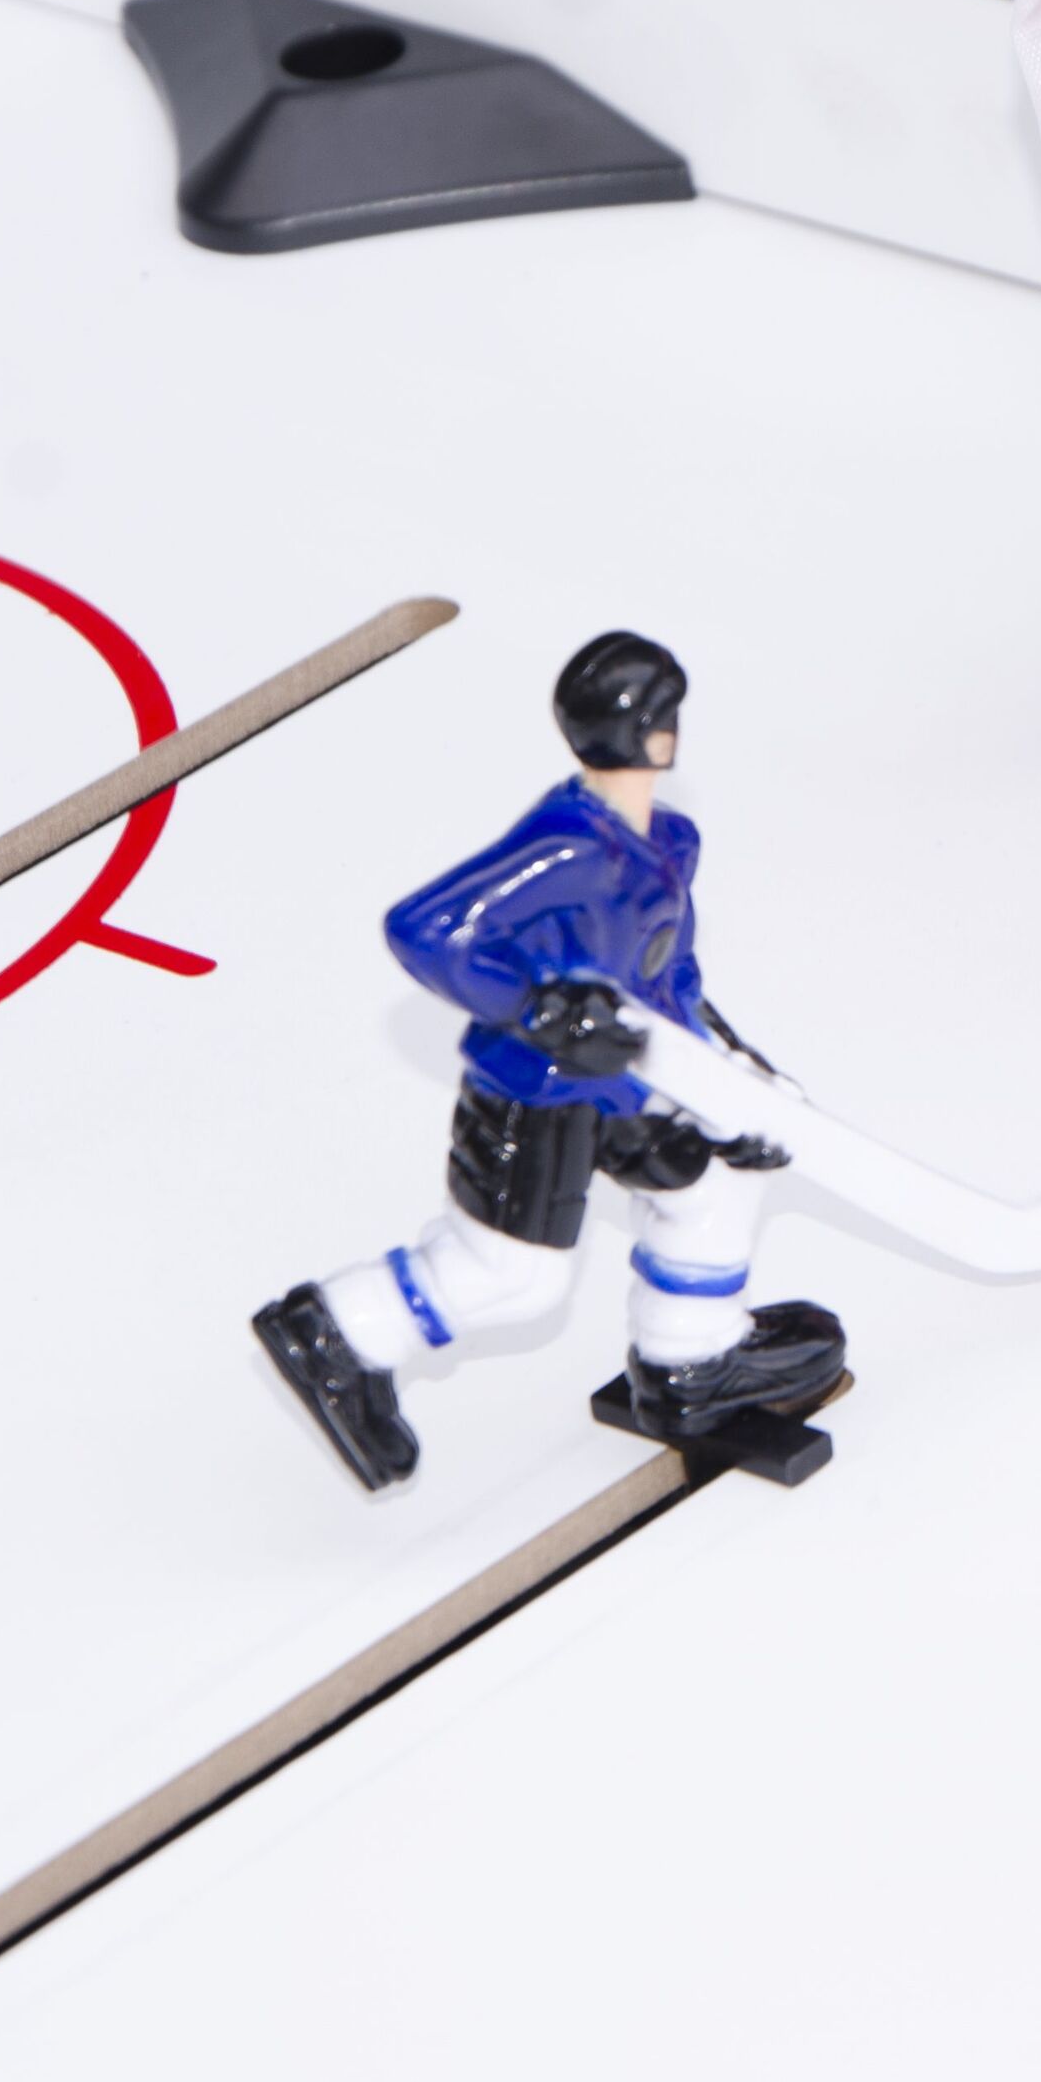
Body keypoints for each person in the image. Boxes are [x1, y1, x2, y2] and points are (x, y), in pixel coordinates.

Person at [250, 630, 843, 1490]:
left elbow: (670, 974)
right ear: (653, 734)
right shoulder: (568, 845)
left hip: (635, 1077)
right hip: (539, 1092)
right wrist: (536, 1009)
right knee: (515, 1277)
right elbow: (424, 928)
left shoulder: (669, 841)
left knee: (718, 1178)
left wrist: (729, 1067)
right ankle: (336, 1332)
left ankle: (691, 1363)